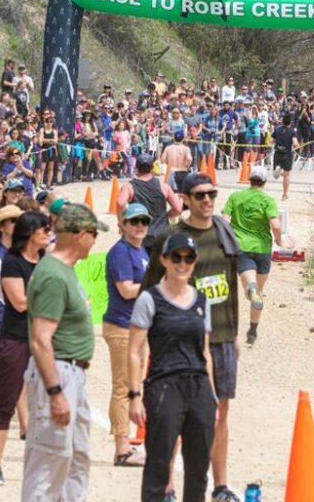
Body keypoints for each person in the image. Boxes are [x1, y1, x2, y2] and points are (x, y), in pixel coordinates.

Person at [142, 173, 243, 502]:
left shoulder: (224, 232)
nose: (207, 200)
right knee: (174, 414)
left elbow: (230, 285)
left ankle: (221, 485)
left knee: (218, 412)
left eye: (211, 193)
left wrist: (235, 333)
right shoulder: (172, 239)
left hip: (222, 336)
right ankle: (168, 485)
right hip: (180, 339)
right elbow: (150, 290)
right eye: (199, 195)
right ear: (184, 199)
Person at [22, 203, 105, 501]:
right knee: (49, 460)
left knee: (75, 457)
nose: (95, 241)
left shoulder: (62, 270)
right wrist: (55, 392)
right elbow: (41, 340)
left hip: (72, 372)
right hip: (58, 370)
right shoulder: (54, 276)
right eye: (93, 234)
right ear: (80, 235)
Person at [128, 233, 216, 502]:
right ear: (164, 260)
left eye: (188, 258)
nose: (182, 263)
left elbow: (205, 351)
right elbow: (134, 351)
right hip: (164, 385)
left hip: (198, 385)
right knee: (158, 461)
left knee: (198, 466)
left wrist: (211, 396)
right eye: (176, 257)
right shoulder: (150, 299)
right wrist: (134, 397)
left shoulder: (201, 301)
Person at [0, 210, 49, 486]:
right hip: (15, 337)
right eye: (43, 229)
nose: (48, 233)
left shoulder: (45, 260)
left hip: (42, 337)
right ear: (30, 233)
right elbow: (20, 302)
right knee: (7, 401)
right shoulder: (12, 262)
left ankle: (39, 463)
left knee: (44, 402)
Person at [103, 204, 152, 468]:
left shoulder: (140, 250)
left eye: (143, 221)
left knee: (134, 385)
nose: (140, 225)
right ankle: (122, 449)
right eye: (134, 221)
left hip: (137, 326)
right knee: (123, 387)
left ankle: (128, 442)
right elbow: (125, 289)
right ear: (123, 225)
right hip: (121, 325)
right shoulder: (120, 252)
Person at [221, 166, 281, 345]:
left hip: (241, 247)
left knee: (249, 284)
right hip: (262, 248)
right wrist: (279, 240)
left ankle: (250, 290)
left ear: (249, 179)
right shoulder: (268, 200)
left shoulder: (235, 197)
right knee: (259, 292)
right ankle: (253, 330)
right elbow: (275, 225)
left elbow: (224, 221)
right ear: (264, 182)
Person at [116, 154, 181, 251]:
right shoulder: (164, 186)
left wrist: (122, 224)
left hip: (140, 234)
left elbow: (120, 203)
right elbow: (178, 209)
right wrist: (165, 216)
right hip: (162, 234)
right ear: (152, 168)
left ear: (136, 167)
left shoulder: (129, 187)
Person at [271, 115, 299, 199]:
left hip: (277, 153)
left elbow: (271, 140)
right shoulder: (292, 131)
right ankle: (285, 194)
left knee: (276, 175)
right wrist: (297, 145)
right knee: (287, 175)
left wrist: (278, 140)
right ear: (290, 122)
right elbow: (295, 144)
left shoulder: (277, 129)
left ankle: (279, 171)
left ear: (282, 121)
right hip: (287, 154)